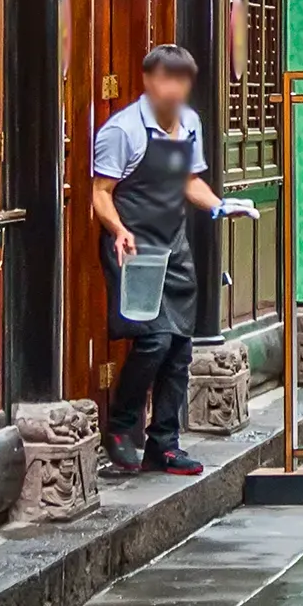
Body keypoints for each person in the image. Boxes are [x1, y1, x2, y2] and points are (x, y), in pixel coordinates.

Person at [82, 41, 229, 473]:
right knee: (153, 339)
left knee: (181, 346)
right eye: (168, 80)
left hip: (174, 245)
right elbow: (100, 194)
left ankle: (165, 443)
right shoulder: (122, 130)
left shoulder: (190, 124)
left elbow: (188, 180)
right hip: (134, 247)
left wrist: (220, 205)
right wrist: (119, 229)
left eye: (183, 81)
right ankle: (122, 424)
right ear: (150, 81)